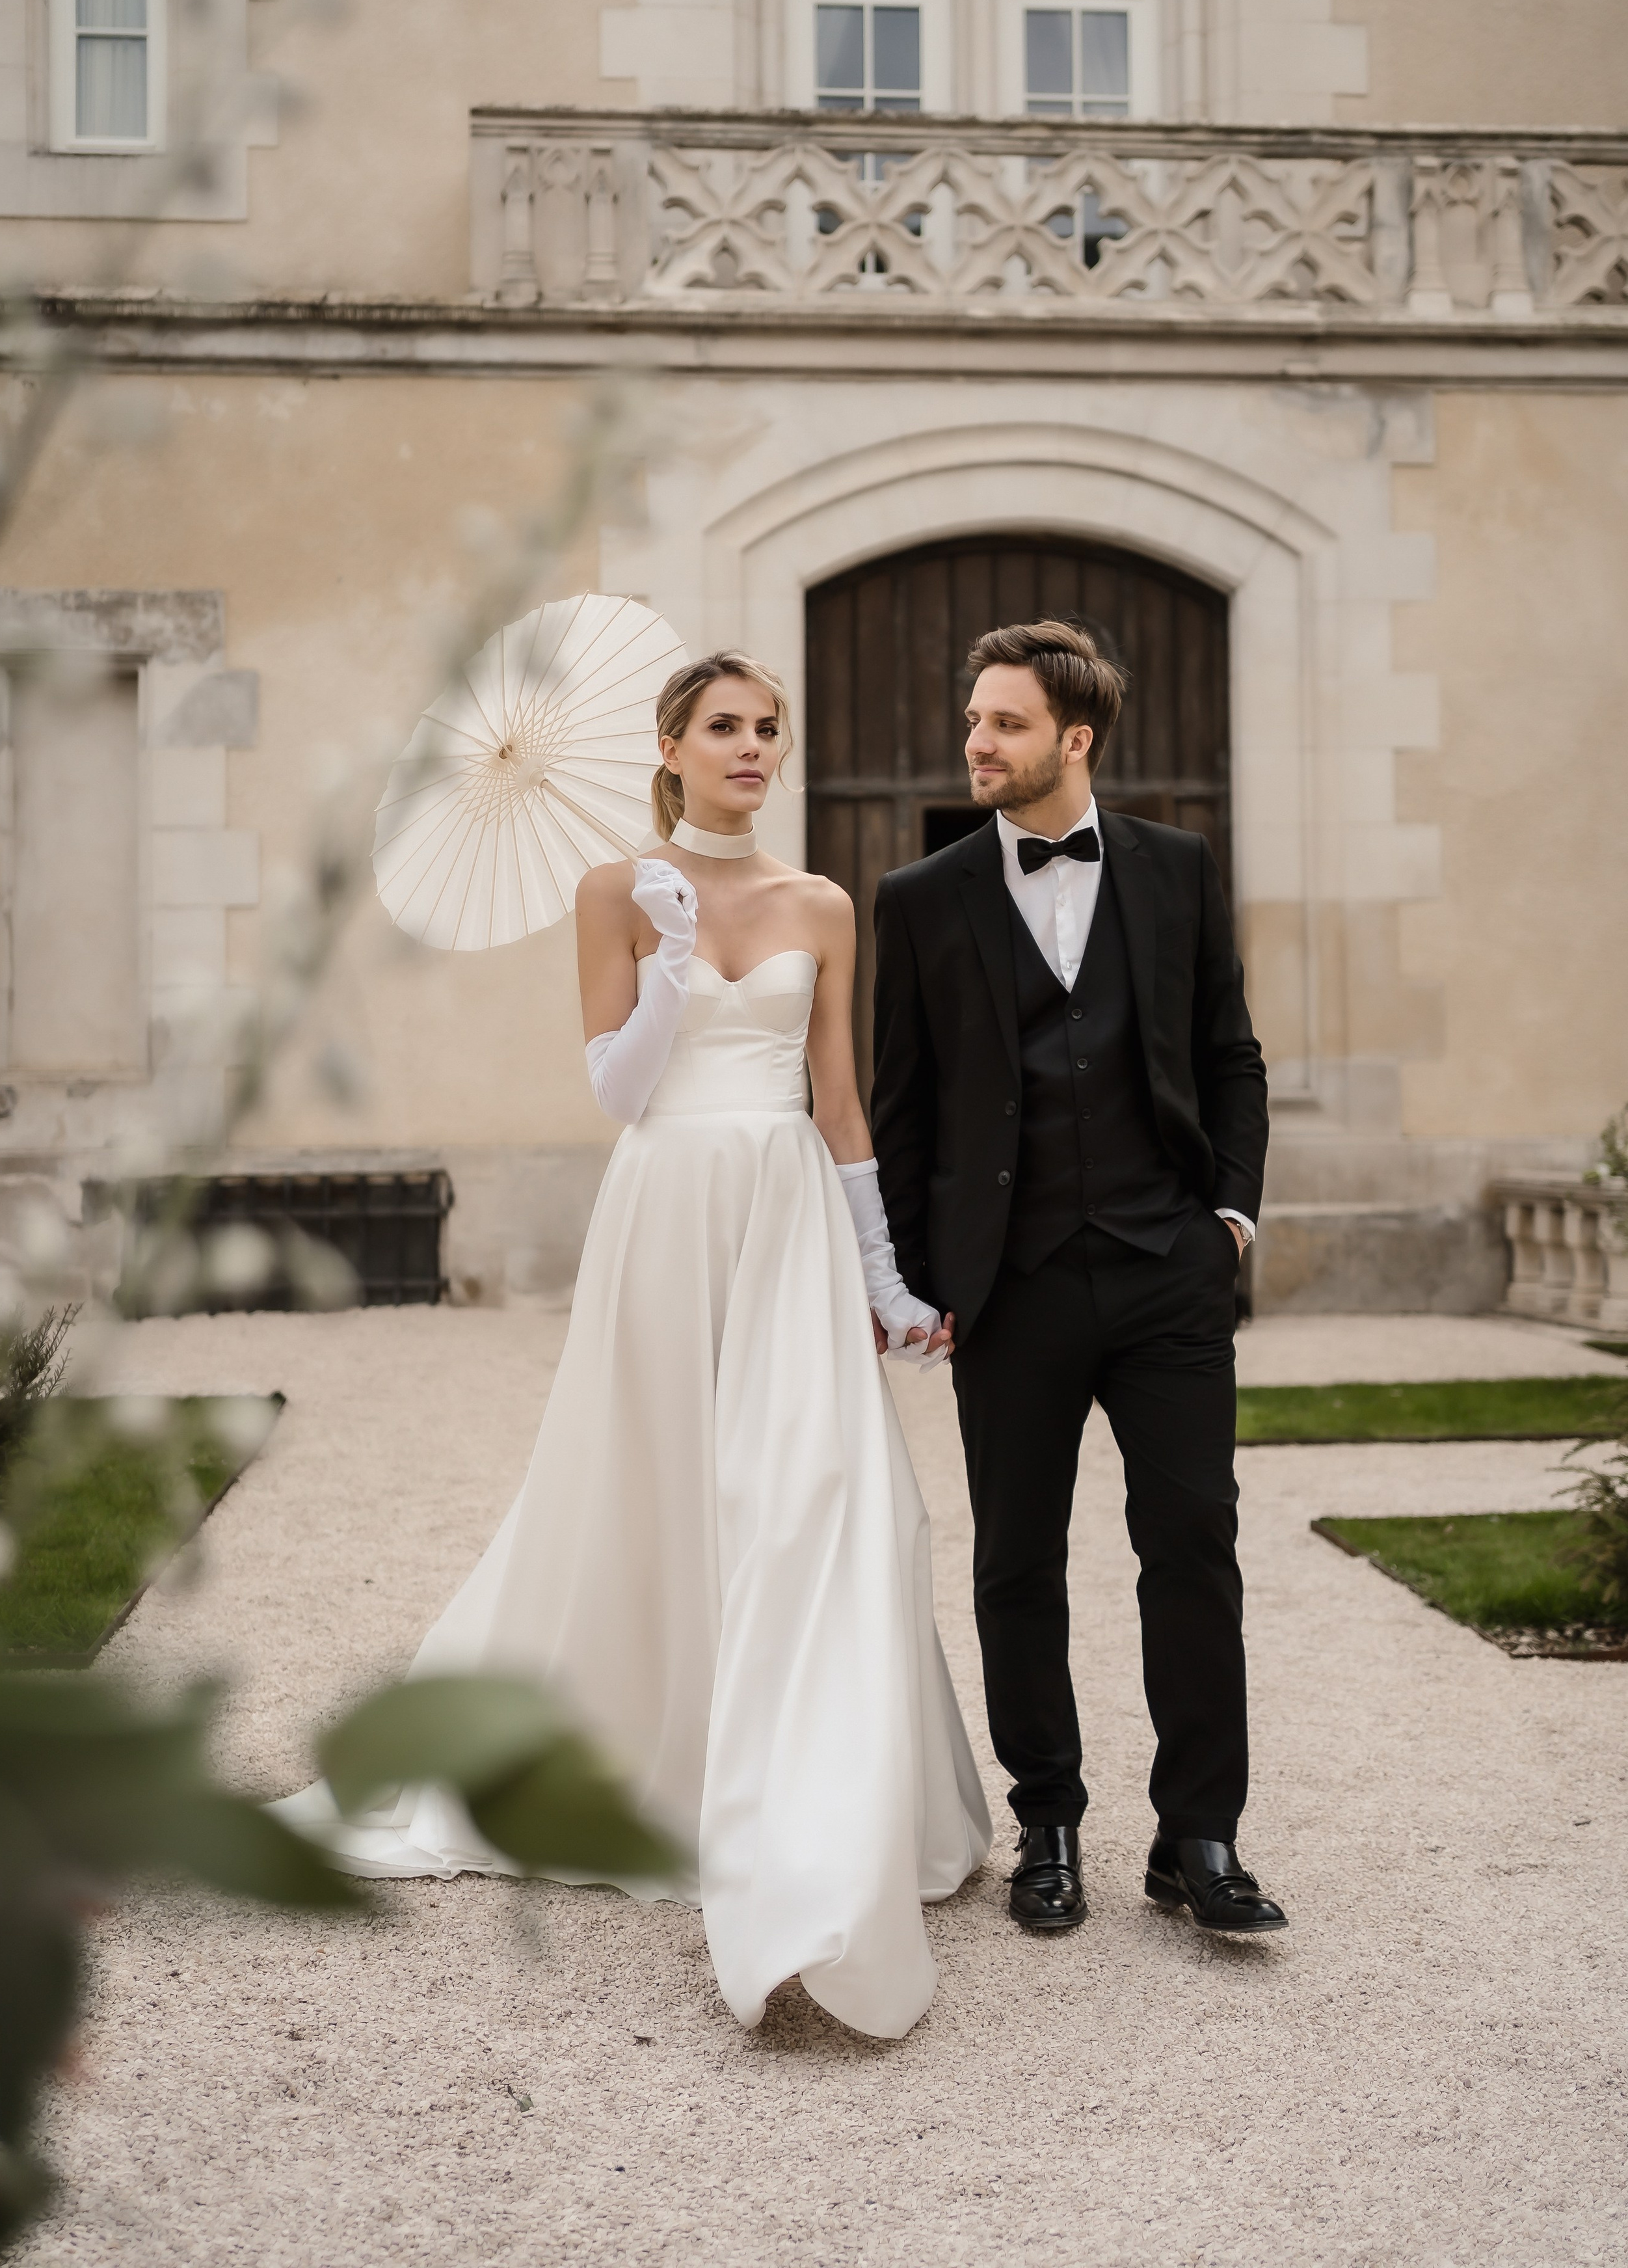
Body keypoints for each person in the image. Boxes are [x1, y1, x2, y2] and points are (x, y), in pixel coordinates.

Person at [278, 651, 991, 2040]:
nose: (750, 747)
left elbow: (839, 1100)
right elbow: (614, 1085)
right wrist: (666, 956)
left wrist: (886, 1274)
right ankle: (664, 1770)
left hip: (784, 1211)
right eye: (724, 726)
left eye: (768, 728)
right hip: (665, 1205)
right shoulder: (611, 889)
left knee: (819, 1495)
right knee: (658, 1489)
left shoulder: (824, 904)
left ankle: (819, 1800)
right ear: (668, 746)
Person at [870, 619, 1287, 1937]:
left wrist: (1224, 1214)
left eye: (1001, 723)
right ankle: (1046, 1819)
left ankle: (1198, 1835)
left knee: (1191, 1546)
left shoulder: (1175, 868)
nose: (974, 743)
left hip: (1166, 1268)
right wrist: (922, 1275)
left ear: (1073, 737)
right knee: (1015, 1560)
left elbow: (1228, 1052)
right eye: (972, 720)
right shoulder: (920, 898)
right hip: (1011, 1284)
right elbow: (903, 1104)